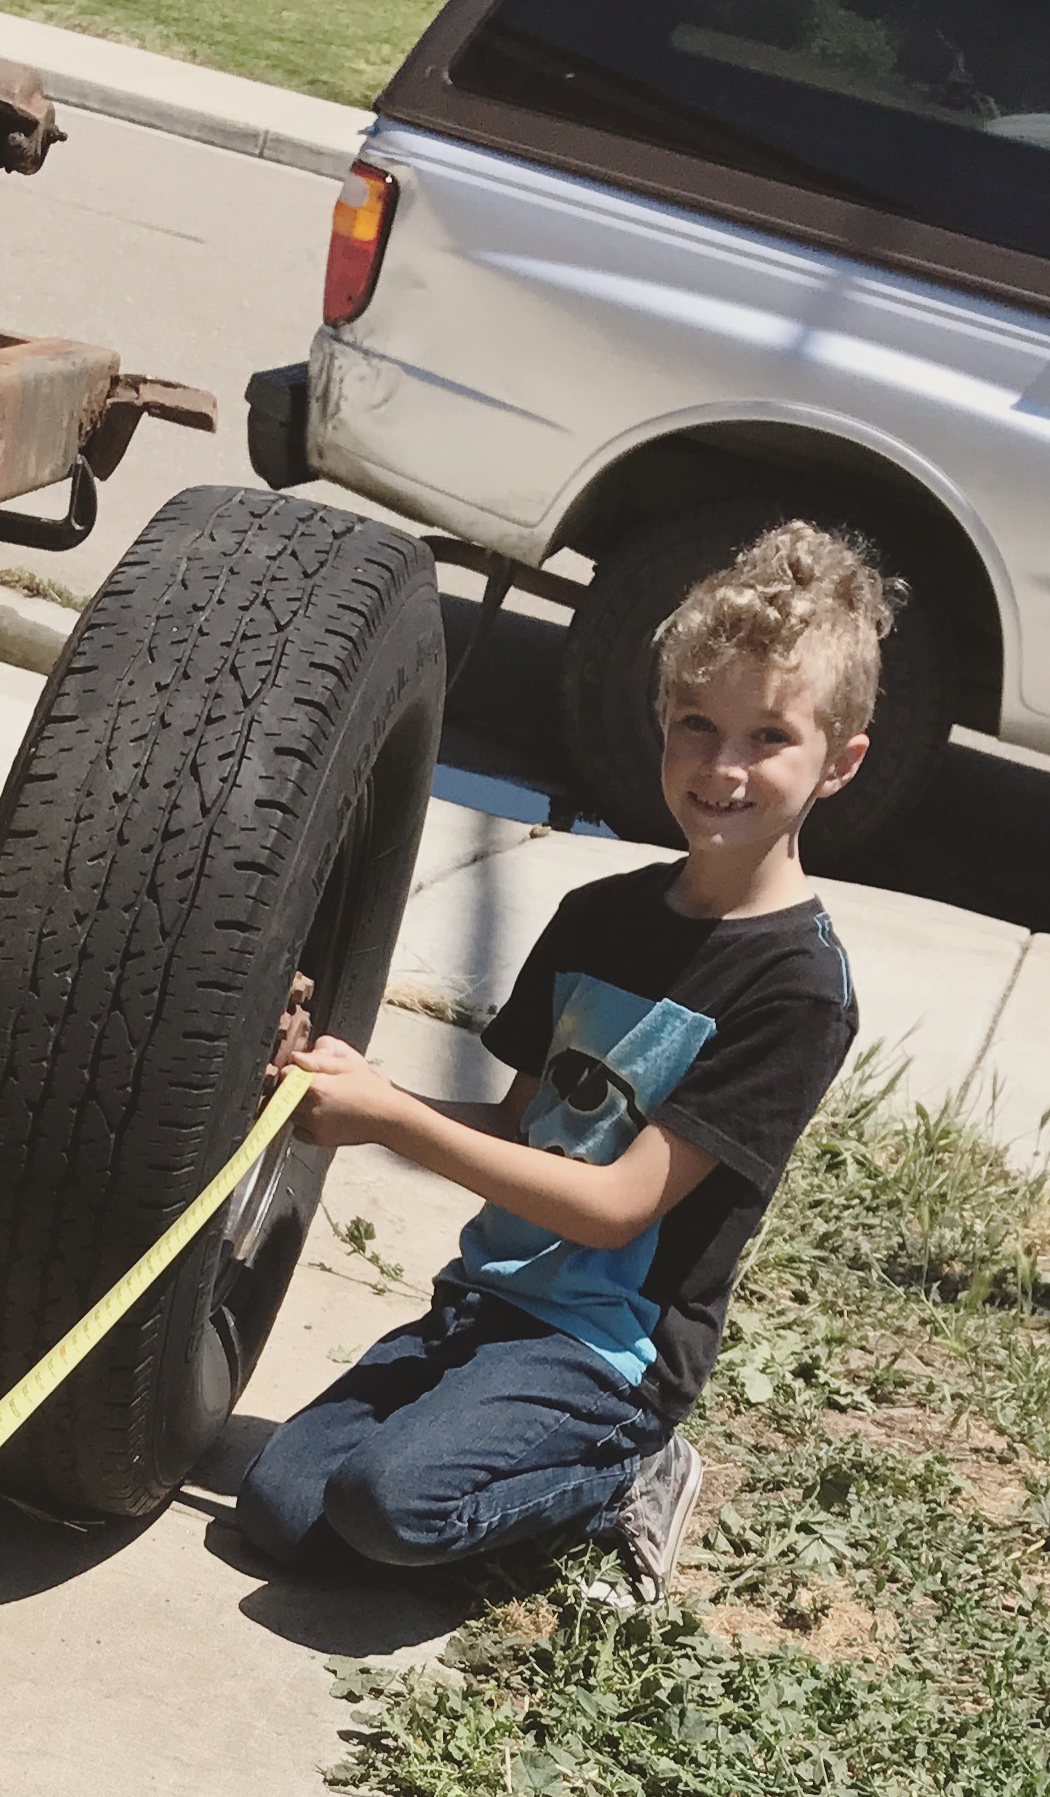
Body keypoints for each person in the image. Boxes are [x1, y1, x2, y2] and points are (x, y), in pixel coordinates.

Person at [235, 519, 878, 1595]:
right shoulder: (595, 917)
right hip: (490, 1302)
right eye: (695, 725)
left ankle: (624, 1472)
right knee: (281, 1508)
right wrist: (350, 1088)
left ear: (840, 763)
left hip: (605, 1355)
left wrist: (396, 1120)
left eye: (769, 738)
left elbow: (617, 1205)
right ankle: (473, 1427)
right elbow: (517, 1126)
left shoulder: (797, 988)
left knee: (389, 1506)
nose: (722, 768)